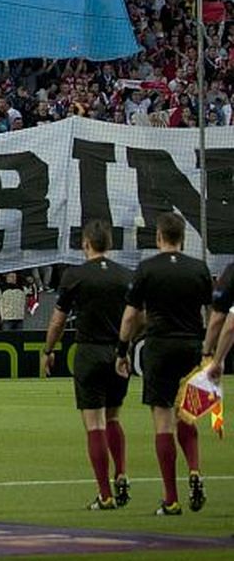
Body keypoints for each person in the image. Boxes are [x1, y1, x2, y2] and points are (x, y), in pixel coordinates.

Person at [116, 211, 215, 515]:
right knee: (187, 416)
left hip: (159, 347)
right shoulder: (199, 269)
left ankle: (171, 499)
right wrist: (208, 349)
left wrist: (122, 350)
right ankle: (194, 469)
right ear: (182, 238)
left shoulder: (147, 269)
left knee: (163, 421)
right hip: (190, 346)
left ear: (159, 236)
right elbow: (213, 313)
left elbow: (131, 316)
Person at [40, 220, 134, 509]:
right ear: (110, 244)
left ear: (85, 244)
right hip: (117, 354)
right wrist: (126, 345)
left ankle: (105, 495)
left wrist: (48, 350)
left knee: (94, 424)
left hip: (89, 353)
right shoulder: (126, 276)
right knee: (113, 418)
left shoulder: (74, 276)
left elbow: (58, 320)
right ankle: (121, 472)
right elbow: (138, 317)